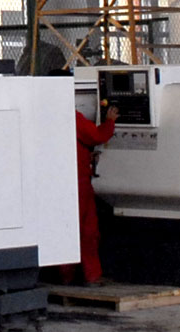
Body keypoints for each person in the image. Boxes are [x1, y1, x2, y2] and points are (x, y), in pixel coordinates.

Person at [65, 103, 119, 286]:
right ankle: (92, 275)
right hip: (78, 180)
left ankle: (66, 275)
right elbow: (96, 136)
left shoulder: (44, 115)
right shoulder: (71, 116)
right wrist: (110, 122)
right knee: (87, 229)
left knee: (65, 228)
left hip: (60, 179)